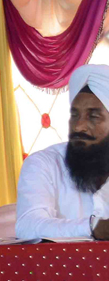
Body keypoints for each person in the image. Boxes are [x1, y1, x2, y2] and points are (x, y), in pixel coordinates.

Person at [18, 64, 109, 240]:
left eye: (94, 116)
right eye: (75, 115)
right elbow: (27, 227)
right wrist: (93, 227)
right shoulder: (44, 163)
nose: (79, 126)